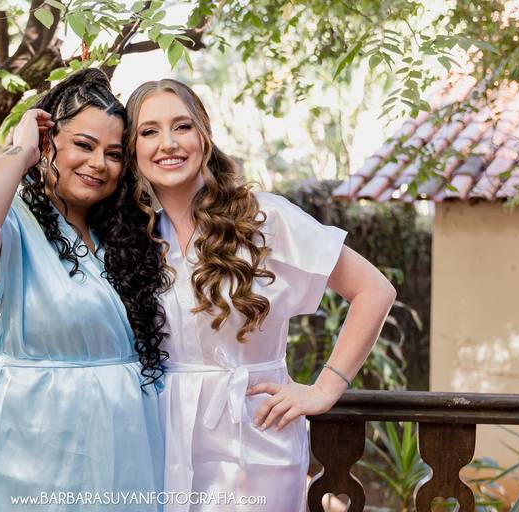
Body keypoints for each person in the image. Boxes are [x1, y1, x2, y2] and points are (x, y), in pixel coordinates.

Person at [125, 79, 397, 511]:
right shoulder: (133, 238)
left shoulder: (263, 218)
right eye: (149, 131)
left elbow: (374, 290)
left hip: (254, 436)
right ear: (133, 148)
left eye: (182, 126)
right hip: (161, 434)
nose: (168, 143)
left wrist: (325, 388)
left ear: (204, 135)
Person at [0, 69, 168, 512]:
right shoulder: (13, 226)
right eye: (83, 145)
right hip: (38, 453)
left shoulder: (120, 239)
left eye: (114, 154)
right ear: (47, 142)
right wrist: (20, 152)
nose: (99, 163)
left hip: (126, 452)